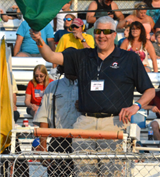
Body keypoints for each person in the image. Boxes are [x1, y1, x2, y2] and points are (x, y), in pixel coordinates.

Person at [30, 16, 155, 176]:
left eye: (107, 31)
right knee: (83, 173)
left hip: (114, 123)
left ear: (114, 34)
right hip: (85, 122)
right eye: (98, 31)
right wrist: (39, 40)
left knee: (111, 173)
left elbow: (149, 90)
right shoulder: (83, 56)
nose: (102, 35)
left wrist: (135, 106)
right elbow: (51, 57)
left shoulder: (129, 58)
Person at [33, 65, 80, 177]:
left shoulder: (87, 85)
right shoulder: (53, 86)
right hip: (58, 141)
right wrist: (43, 148)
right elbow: (43, 117)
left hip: (82, 142)